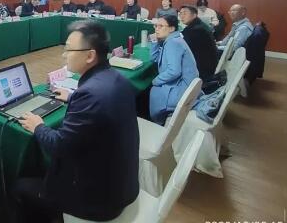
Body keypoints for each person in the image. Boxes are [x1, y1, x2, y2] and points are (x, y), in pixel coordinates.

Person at [17, 20, 139, 222]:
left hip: (100, 201)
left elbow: (58, 146)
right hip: (123, 183)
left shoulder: (90, 94)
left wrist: (38, 126)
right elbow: (99, 104)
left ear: (90, 55)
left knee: (22, 186)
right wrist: (72, 96)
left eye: (68, 49)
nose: (64, 55)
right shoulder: (117, 79)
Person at [149, 15, 199, 125]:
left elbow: (174, 71)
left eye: (161, 26)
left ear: (171, 28)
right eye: (156, 26)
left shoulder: (173, 43)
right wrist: (154, 41)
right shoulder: (173, 39)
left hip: (183, 89)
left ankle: (158, 123)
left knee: (153, 90)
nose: (156, 29)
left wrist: (155, 81)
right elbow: (154, 59)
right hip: (187, 86)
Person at [179, 5, 218, 83]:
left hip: (202, 72)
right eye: (180, 13)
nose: (181, 16)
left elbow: (181, 48)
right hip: (208, 66)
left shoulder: (196, 30)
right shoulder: (198, 25)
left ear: (194, 15)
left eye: (185, 13)